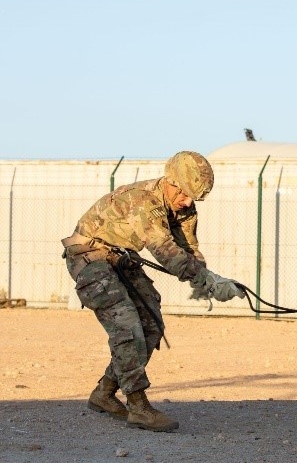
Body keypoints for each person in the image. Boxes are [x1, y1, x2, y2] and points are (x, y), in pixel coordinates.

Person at [61, 151, 245, 432]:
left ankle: (105, 393)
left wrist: (206, 280)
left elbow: (187, 249)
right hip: (90, 257)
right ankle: (138, 405)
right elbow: (166, 251)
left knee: (152, 323)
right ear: (171, 182)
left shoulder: (183, 208)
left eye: (193, 198)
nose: (187, 202)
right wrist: (209, 282)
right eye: (184, 194)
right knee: (126, 325)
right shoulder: (144, 201)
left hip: (121, 258)